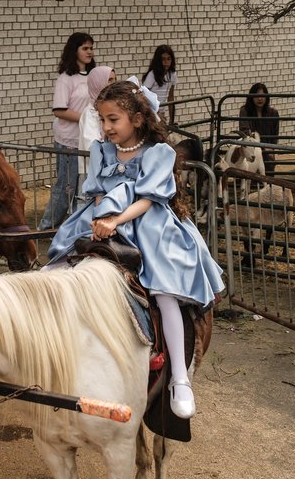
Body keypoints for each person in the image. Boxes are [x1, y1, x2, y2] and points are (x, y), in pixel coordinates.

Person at [48, 80, 224, 419]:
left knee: (164, 288)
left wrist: (117, 221)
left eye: (113, 119)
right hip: (103, 218)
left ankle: (180, 378)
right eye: (102, 120)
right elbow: (98, 190)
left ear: (137, 119)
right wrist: (102, 218)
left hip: (148, 222)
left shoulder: (159, 153)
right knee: (56, 269)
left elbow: (148, 198)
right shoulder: (102, 149)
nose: (106, 127)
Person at [41, 32, 95, 228]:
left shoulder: (92, 76)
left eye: (91, 48)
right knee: (66, 186)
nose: (89, 52)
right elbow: (59, 110)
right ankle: (47, 225)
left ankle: (72, 224)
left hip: (88, 140)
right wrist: (87, 119)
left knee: (82, 184)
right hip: (69, 140)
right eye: (85, 48)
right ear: (75, 51)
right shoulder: (66, 79)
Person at [76, 64, 117, 180]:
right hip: (92, 171)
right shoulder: (90, 113)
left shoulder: (107, 108)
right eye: (109, 80)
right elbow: (91, 145)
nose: (113, 84)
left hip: (107, 168)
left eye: (115, 80)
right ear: (97, 83)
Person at [236, 82, 280, 175]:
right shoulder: (245, 111)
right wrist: (263, 147)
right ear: (251, 97)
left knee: (267, 179)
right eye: (256, 96)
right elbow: (245, 132)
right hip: (252, 150)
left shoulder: (273, 113)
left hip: (268, 152)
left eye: (262, 96)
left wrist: (272, 149)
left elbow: (275, 135)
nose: (260, 99)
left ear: (266, 97)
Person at [140, 45, 177, 117]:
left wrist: (172, 119)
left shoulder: (172, 74)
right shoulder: (152, 74)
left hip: (161, 112)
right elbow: (143, 95)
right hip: (151, 113)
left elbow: (170, 96)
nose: (166, 62)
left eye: (168, 59)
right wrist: (155, 113)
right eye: (163, 59)